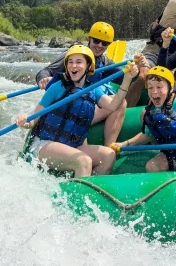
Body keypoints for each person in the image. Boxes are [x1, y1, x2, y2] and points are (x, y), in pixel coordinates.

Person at [17, 45, 139, 177]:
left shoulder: (92, 89)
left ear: (88, 67)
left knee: (109, 155)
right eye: (70, 62)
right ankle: (78, 194)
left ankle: (86, 185)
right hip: (44, 145)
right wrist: (24, 121)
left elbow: (114, 105)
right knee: (83, 160)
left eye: (78, 62)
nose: (73, 66)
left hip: (72, 145)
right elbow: (34, 118)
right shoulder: (58, 87)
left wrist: (127, 80)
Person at [35, 21, 146, 146]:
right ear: (89, 39)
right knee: (121, 103)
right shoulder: (74, 56)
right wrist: (44, 79)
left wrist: (138, 67)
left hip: (86, 107)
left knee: (120, 102)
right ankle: (109, 147)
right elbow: (45, 71)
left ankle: (110, 149)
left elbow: (127, 77)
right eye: (96, 41)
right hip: (66, 109)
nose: (99, 45)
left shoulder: (105, 63)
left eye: (104, 43)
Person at [111, 66, 176, 172]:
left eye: (159, 87)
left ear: (170, 88)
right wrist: (124, 144)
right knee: (151, 166)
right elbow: (147, 135)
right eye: (150, 87)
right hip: (175, 148)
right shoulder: (151, 110)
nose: (154, 92)